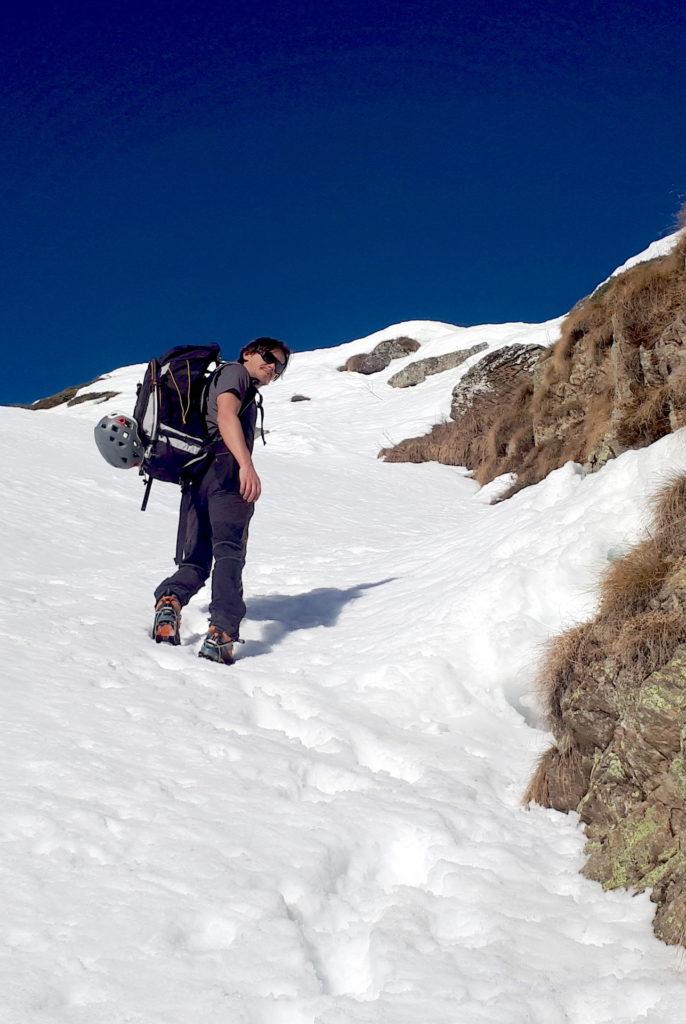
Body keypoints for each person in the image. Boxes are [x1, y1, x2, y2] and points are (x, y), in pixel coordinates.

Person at [152, 337, 290, 664]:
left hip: (197, 477)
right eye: (269, 357)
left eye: (280, 365)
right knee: (229, 551)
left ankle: (170, 601)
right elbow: (227, 415)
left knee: (197, 559)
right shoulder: (235, 374)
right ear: (248, 353)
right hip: (224, 472)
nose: (273, 367)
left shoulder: (225, 378)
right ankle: (222, 633)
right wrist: (246, 465)